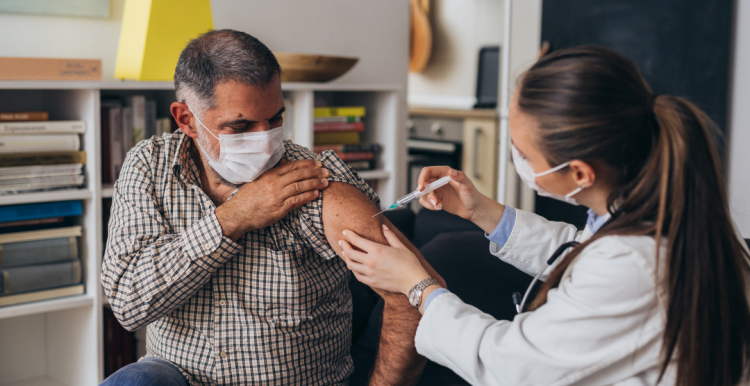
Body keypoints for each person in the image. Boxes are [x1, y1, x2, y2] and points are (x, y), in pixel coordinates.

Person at [339, 45, 750, 386]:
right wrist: (484, 212)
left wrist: (418, 286)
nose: (516, 158)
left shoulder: (635, 262)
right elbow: (581, 251)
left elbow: (510, 365)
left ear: (579, 173)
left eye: (522, 152)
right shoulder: (666, 211)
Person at [100, 29, 444, 386]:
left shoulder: (314, 182)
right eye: (242, 126)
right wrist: (234, 217)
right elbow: (129, 303)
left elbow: (415, 294)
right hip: (178, 376)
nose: (265, 143)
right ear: (186, 119)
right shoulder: (149, 165)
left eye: (276, 118)